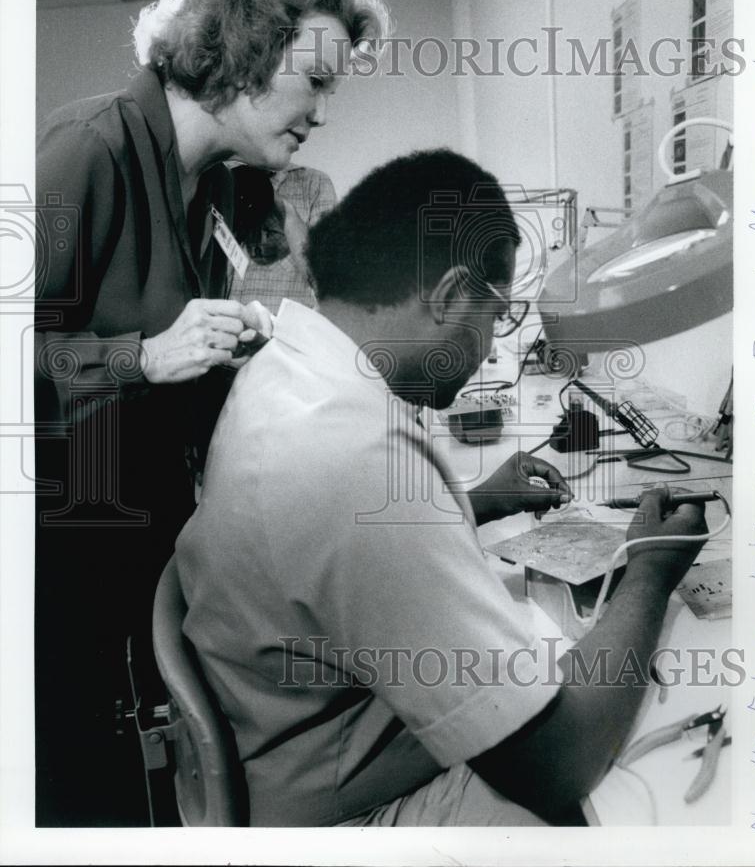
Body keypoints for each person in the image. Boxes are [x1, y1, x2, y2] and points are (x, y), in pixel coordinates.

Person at [175, 149, 708, 827]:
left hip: (295, 744)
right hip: (345, 814)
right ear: (452, 295)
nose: (491, 349)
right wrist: (648, 571)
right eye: (497, 316)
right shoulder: (353, 453)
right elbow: (556, 762)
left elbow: (319, 549)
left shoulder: (286, 370)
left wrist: (473, 503)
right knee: (628, 799)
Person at [34, 0, 388, 826]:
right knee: (89, 792)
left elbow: (188, 362)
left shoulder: (221, 189)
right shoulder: (90, 150)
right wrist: (143, 357)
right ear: (243, 52)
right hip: (59, 553)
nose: (320, 109)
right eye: (313, 78)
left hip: (152, 530)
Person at [229, 163, 338, 310]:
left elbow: (326, 281)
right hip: (217, 327)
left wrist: (283, 209)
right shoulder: (215, 176)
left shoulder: (315, 183)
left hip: (280, 329)